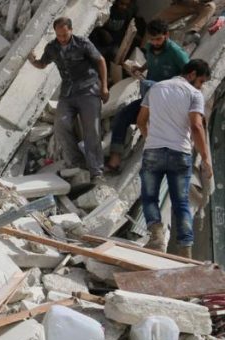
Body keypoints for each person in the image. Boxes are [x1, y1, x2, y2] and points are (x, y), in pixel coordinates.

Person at [136, 59, 212, 258]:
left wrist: (150, 138)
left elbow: (141, 121)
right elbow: (196, 126)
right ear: (192, 74)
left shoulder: (156, 88)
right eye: (201, 81)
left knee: (149, 197)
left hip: (153, 151)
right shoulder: (194, 95)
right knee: (181, 203)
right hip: (180, 153)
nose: (201, 86)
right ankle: (185, 251)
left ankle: (156, 236)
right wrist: (205, 158)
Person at [29, 17, 109, 184]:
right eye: (59, 35)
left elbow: (100, 61)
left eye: (65, 35)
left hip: (89, 88)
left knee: (91, 129)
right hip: (68, 93)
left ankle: (97, 171)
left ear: (71, 30)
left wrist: (104, 87)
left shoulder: (82, 43)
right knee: (60, 125)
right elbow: (42, 64)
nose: (62, 39)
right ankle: (77, 163)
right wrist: (32, 60)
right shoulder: (52, 47)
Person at [105, 19, 189, 172]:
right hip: (149, 99)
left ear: (166, 35)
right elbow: (151, 61)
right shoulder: (150, 47)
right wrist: (141, 68)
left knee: (149, 87)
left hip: (167, 100)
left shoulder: (176, 53)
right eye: (152, 39)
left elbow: (190, 74)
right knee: (123, 116)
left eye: (159, 39)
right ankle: (115, 160)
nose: (155, 42)